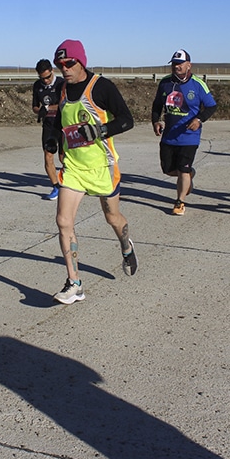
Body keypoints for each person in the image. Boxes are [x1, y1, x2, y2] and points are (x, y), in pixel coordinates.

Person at [48, 39, 137, 304]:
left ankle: (126, 245)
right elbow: (57, 121)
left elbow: (127, 120)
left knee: (112, 218)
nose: (64, 69)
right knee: (63, 221)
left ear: (81, 62)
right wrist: (53, 142)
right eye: (59, 65)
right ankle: (74, 283)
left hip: (103, 167)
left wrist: (100, 131)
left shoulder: (101, 87)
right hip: (74, 167)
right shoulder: (61, 90)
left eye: (69, 63)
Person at [151, 49, 217, 216]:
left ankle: (180, 201)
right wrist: (156, 121)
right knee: (168, 169)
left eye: (180, 64)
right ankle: (189, 175)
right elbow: (157, 104)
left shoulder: (198, 84)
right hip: (169, 135)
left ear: (189, 65)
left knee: (183, 169)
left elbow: (211, 106)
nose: (176, 67)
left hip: (189, 136)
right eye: (174, 64)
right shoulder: (165, 83)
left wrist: (199, 119)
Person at [32, 58, 64, 200]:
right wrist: (40, 111)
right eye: (42, 78)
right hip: (48, 126)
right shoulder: (37, 86)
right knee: (48, 156)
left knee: (64, 158)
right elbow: (34, 107)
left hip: (63, 124)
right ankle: (56, 186)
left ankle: (72, 183)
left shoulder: (62, 84)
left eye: (47, 77)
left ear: (52, 71)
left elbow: (66, 104)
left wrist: (49, 107)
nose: (45, 81)